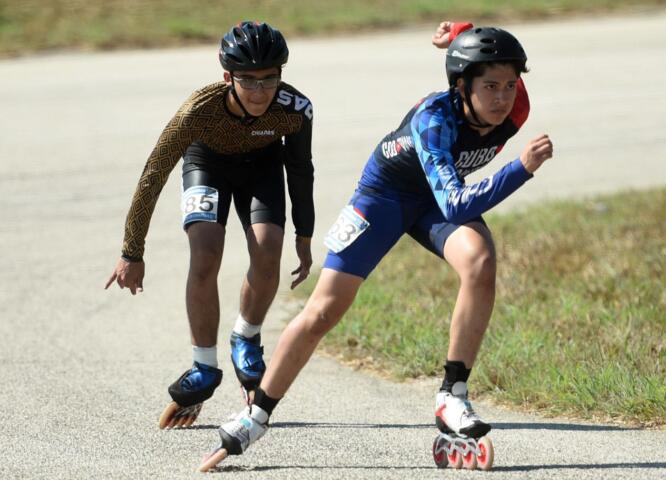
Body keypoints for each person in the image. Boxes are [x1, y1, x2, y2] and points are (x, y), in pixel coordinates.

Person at [200, 20, 553, 468]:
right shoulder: (434, 122)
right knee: (324, 310)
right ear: (462, 86)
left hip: (432, 201)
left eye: (509, 85)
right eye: (490, 87)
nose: (502, 98)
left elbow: (487, 61)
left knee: (480, 261)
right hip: (385, 197)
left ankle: (453, 395)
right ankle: (256, 415)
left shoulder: (514, 106)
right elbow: (457, 203)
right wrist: (520, 168)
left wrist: (460, 33)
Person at [104, 21, 315, 429]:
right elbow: (153, 174)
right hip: (208, 166)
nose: (259, 91)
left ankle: (246, 337)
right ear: (227, 78)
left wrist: (303, 235)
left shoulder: (295, 109)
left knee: (269, 248)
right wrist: (132, 251)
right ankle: (203, 365)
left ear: (281, 75)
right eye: (248, 81)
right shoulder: (197, 112)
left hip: (262, 169)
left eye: (269, 79)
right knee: (205, 254)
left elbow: (301, 170)